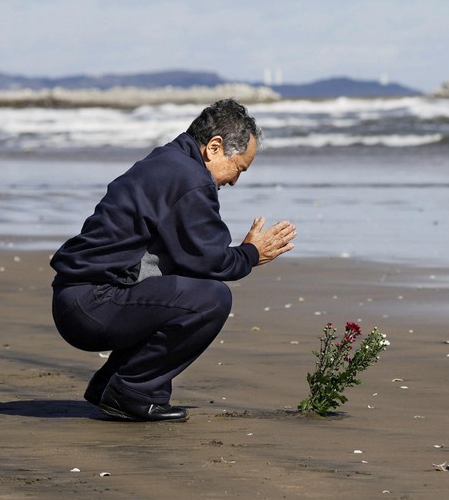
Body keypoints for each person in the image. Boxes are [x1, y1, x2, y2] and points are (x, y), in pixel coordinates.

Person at [50, 98, 296, 422]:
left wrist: (243, 255)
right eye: (239, 168)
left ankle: (111, 385)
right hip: (91, 303)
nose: (235, 180)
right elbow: (213, 261)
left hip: (79, 299)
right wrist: (252, 253)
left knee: (187, 285)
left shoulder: (170, 162)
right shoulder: (189, 177)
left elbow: (192, 260)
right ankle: (131, 392)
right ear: (215, 147)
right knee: (212, 298)